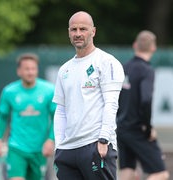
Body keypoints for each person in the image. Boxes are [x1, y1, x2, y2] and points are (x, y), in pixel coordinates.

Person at [53, 11, 124, 180]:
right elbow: (61, 110)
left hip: (95, 145)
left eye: (83, 29)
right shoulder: (64, 69)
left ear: (93, 31)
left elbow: (111, 104)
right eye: (73, 29)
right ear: (69, 32)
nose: (78, 34)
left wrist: (103, 139)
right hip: (67, 150)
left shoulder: (107, 62)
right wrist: (59, 145)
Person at [116, 30, 169, 180]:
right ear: (153, 48)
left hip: (121, 127)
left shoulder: (124, 68)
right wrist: (148, 127)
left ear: (135, 45)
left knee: (128, 172)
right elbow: (145, 100)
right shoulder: (146, 70)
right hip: (137, 128)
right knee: (161, 173)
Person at [0, 53, 56, 180]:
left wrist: (51, 139)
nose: (30, 72)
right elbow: (2, 117)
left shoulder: (49, 90)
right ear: (19, 71)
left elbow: (57, 117)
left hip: (40, 149)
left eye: (33, 69)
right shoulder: (9, 91)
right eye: (27, 69)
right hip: (17, 147)